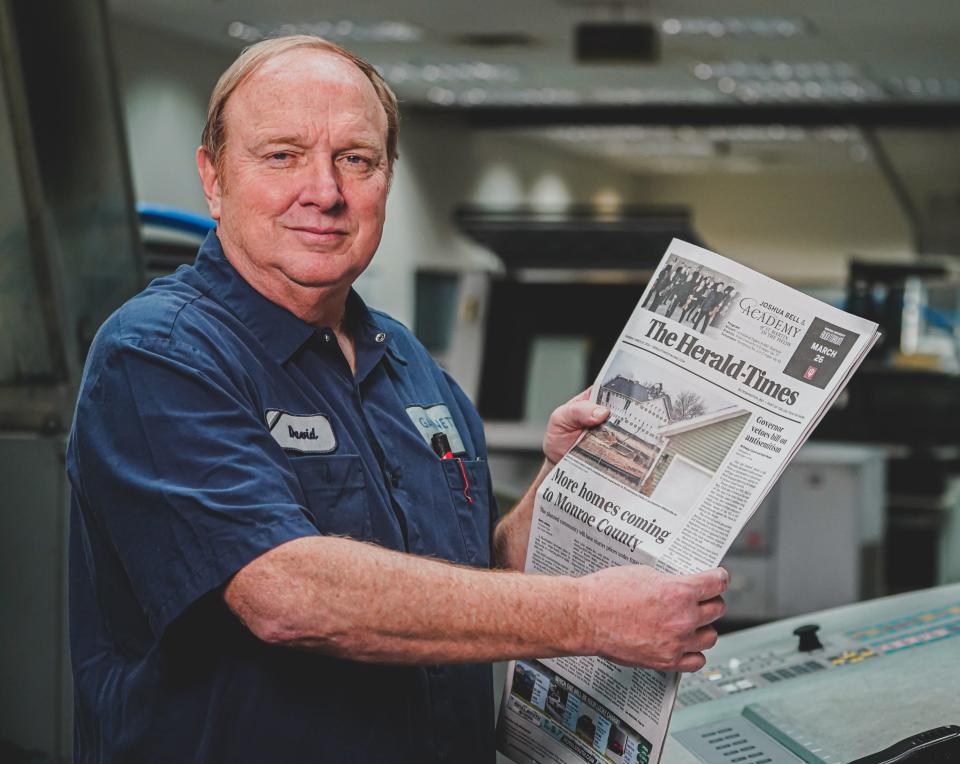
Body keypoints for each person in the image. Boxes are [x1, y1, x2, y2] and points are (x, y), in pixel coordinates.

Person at [66, 36, 727, 763]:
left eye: (357, 159)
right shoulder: (158, 354)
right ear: (213, 178)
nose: (325, 190)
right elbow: (287, 593)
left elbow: (475, 585)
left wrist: (561, 482)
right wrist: (588, 617)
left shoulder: (409, 364)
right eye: (282, 155)